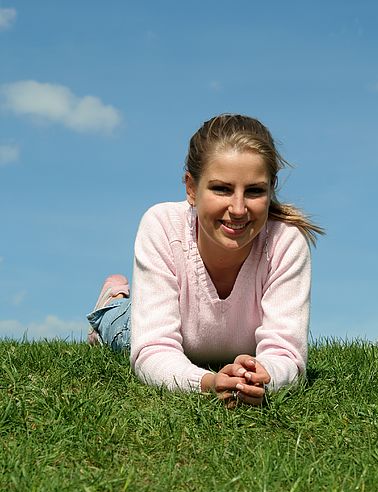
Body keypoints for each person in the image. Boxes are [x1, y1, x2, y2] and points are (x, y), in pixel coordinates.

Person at [86, 114, 324, 407]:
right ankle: (112, 300)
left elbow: (287, 353)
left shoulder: (286, 243)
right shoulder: (161, 226)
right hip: (161, 328)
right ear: (191, 188)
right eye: (221, 189)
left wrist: (264, 376)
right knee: (121, 329)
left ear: (271, 188)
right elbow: (153, 349)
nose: (238, 209)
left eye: (254, 191)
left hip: (211, 341)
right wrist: (207, 383)